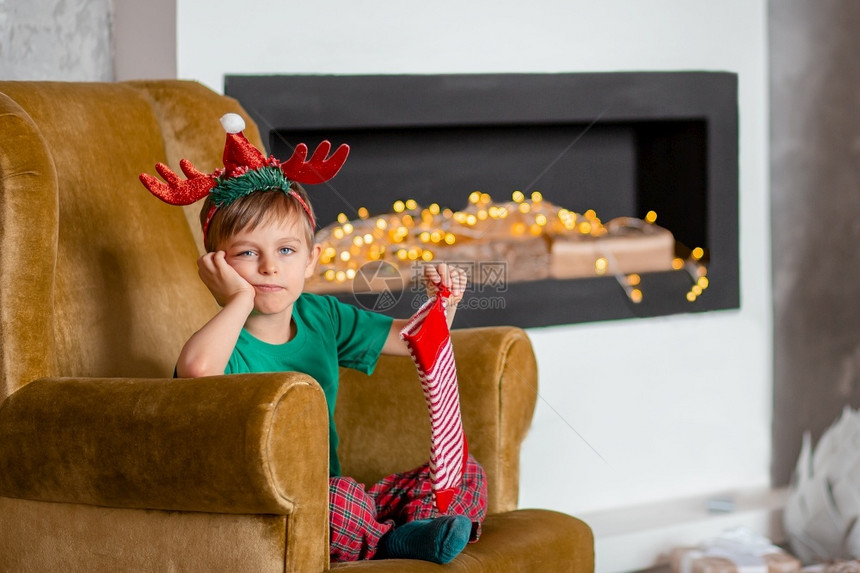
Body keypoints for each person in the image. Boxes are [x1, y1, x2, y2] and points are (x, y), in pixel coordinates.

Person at [139, 114, 487, 564]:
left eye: (286, 251)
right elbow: (197, 372)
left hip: (338, 493)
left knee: (461, 471)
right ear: (217, 266)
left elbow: (413, 341)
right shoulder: (222, 341)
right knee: (339, 502)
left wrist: (446, 302)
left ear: (310, 260)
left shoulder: (320, 314)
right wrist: (238, 300)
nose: (269, 267)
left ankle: (418, 530)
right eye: (247, 254)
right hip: (275, 508)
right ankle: (391, 542)